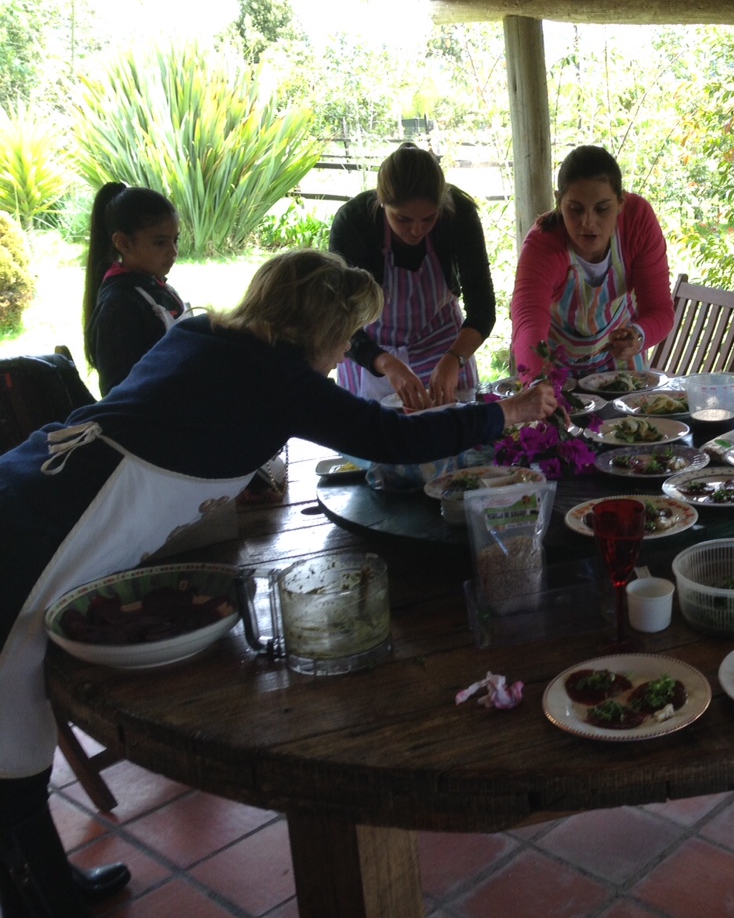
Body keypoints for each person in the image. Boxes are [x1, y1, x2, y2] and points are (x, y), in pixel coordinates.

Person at [0, 249, 555, 918]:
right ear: (322, 328)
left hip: (37, 480)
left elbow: (184, 423)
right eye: (347, 337)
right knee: (11, 709)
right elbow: (390, 438)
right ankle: (36, 894)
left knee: (17, 711)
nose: (346, 352)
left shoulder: (204, 332)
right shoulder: (278, 377)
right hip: (54, 527)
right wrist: (508, 412)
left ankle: (46, 881)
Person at [329, 142, 495, 410]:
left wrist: (455, 358)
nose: (417, 230)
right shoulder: (354, 223)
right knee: (375, 431)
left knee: (453, 428)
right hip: (369, 348)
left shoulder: (458, 216)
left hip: (442, 343)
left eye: (429, 218)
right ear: (382, 202)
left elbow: (483, 309)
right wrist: (385, 362)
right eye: (403, 219)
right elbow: (340, 319)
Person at [509, 145, 675, 377]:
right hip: (551, 364)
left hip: (620, 361)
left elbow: (659, 310)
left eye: (602, 209)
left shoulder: (637, 222)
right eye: (575, 209)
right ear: (559, 202)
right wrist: (536, 382)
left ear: (620, 202)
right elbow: (528, 320)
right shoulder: (543, 244)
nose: (588, 222)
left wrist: (637, 336)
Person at [82, 183, 188, 396]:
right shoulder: (119, 306)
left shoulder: (158, 288)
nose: (173, 251)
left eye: (175, 240)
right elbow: (117, 391)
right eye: (160, 243)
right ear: (123, 243)